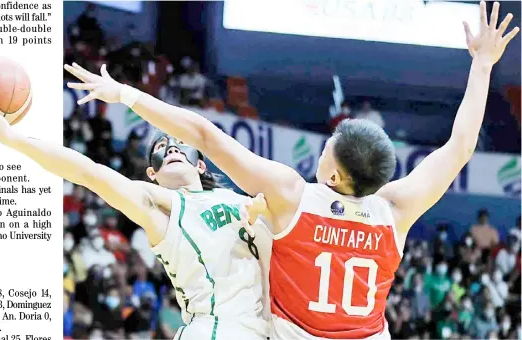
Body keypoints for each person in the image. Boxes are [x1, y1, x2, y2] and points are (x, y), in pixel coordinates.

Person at [65, 2, 518, 338]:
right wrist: (481, 66)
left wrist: (126, 95)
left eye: (329, 149)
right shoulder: (396, 209)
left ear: (335, 176)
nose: (322, 150)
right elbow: (460, 148)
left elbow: (203, 135)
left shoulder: (291, 195)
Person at [0, 89, 271, 339]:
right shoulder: (157, 209)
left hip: (267, 328)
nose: (172, 147)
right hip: (213, 329)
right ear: (152, 173)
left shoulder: (237, 199)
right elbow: (89, 173)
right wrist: (13, 139)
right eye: (162, 146)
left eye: (179, 144)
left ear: (201, 165)